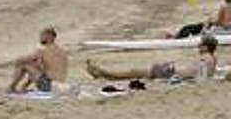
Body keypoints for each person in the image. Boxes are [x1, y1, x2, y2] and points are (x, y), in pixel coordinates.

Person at [86, 36, 218, 83]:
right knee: (134, 73)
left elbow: (200, 74)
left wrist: (179, 78)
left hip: (170, 72)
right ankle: (103, 74)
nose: (198, 46)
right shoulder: (212, 58)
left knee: (134, 72)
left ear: (206, 47)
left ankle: (103, 73)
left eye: (201, 44)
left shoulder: (205, 58)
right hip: (171, 71)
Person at [9, 27, 69, 93]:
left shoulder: (43, 50)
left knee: (23, 65)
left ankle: (12, 88)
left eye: (42, 35)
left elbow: (23, 60)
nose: (40, 38)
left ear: (49, 36)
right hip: (61, 85)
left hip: (49, 85)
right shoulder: (61, 50)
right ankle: (23, 87)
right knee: (34, 67)